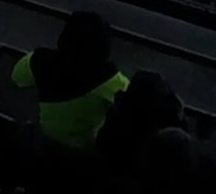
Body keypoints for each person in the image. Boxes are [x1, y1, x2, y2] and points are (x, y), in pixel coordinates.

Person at [13, 9, 129, 152]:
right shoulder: (112, 80)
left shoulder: (39, 60)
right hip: (86, 152)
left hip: (46, 143)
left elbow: (17, 77)